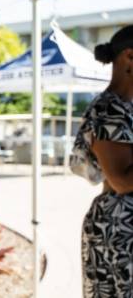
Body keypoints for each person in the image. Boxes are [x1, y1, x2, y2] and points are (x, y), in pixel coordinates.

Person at [71, 24, 133, 298]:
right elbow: (121, 181)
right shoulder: (110, 108)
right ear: (129, 56)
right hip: (120, 230)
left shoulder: (126, 107)